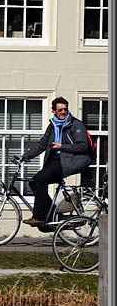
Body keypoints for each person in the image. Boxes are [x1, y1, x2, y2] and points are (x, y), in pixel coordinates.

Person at [20, 97, 92, 227]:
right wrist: (24, 156)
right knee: (33, 182)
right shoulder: (53, 125)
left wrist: (61, 146)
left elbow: (83, 146)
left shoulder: (76, 124)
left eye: (65, 109)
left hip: (70, 161)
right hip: (56, 161)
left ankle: (39, 217)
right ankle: (52, 213)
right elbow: (42, 144)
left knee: (41, 179)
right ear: (53, 111)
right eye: (60, 110)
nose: (63, 112)